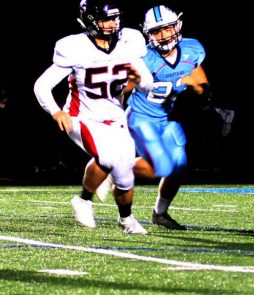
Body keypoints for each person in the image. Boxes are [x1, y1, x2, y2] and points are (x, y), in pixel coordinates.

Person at [33, 0, 153, 234]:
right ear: (89, 22)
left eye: (113, 18)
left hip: (114, 116)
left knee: (124, 173)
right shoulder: (74, 47)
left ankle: (126, 219)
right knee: (108, 156)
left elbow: (147, 83)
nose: (111, 24)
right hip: (80, 116)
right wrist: (55, 111)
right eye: (105, 19)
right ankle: (84, 200)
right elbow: (42, 85)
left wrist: (140, 80)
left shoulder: (130, 41)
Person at [97, 5, 210, 230]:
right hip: (140, 116)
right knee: (161, 165)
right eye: (157, 31)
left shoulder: (191, 49)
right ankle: (115, 167)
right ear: (149, 35)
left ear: (176, 26)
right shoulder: (142, 58)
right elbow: (120, 92)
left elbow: (204, 86)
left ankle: (160, 213)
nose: (164, 35)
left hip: (167, 117)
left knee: (179, 166)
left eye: (167, 29)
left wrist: (196, 88)